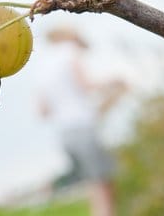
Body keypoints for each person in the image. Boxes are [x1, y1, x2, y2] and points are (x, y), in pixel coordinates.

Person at [35, 26, 126, 216]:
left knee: (93, 186)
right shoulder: (69, 52)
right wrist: (113, 81)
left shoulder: (43, 66)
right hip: (82, 127)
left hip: (65, 134)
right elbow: (85, 84)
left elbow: (43, 111)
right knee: (103, 187)